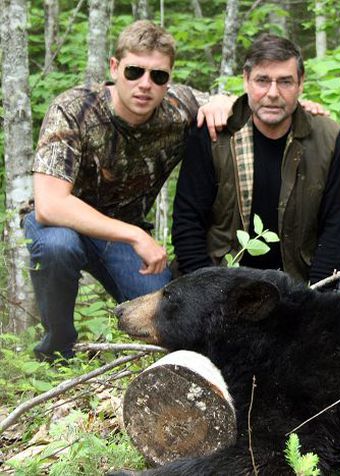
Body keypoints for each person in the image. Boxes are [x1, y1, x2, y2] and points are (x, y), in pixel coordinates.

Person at [23, 20, 234, 362]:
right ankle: (56, 352)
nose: (145, 85)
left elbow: (252, 101)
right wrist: (136, 235)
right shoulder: (74, 109)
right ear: (114, 67)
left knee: (166, 313)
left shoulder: (178, 107)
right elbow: (49, 205)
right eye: (134, 71)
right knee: (57, 246)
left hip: (119, 239)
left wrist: (223, 101)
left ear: (170, 79)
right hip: (63, 226)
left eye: (159, 76)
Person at [172, 34, 340, 285]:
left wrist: (315, 298)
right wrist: (208, 294)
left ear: (301, 83)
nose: (273, 93)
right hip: (220, 284)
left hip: (296, 288)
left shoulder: (329, 140)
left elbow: (334, 229)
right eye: (262, 81)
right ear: (246, 80)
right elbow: (187, 223)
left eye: (285, 82)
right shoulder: (213, 135)